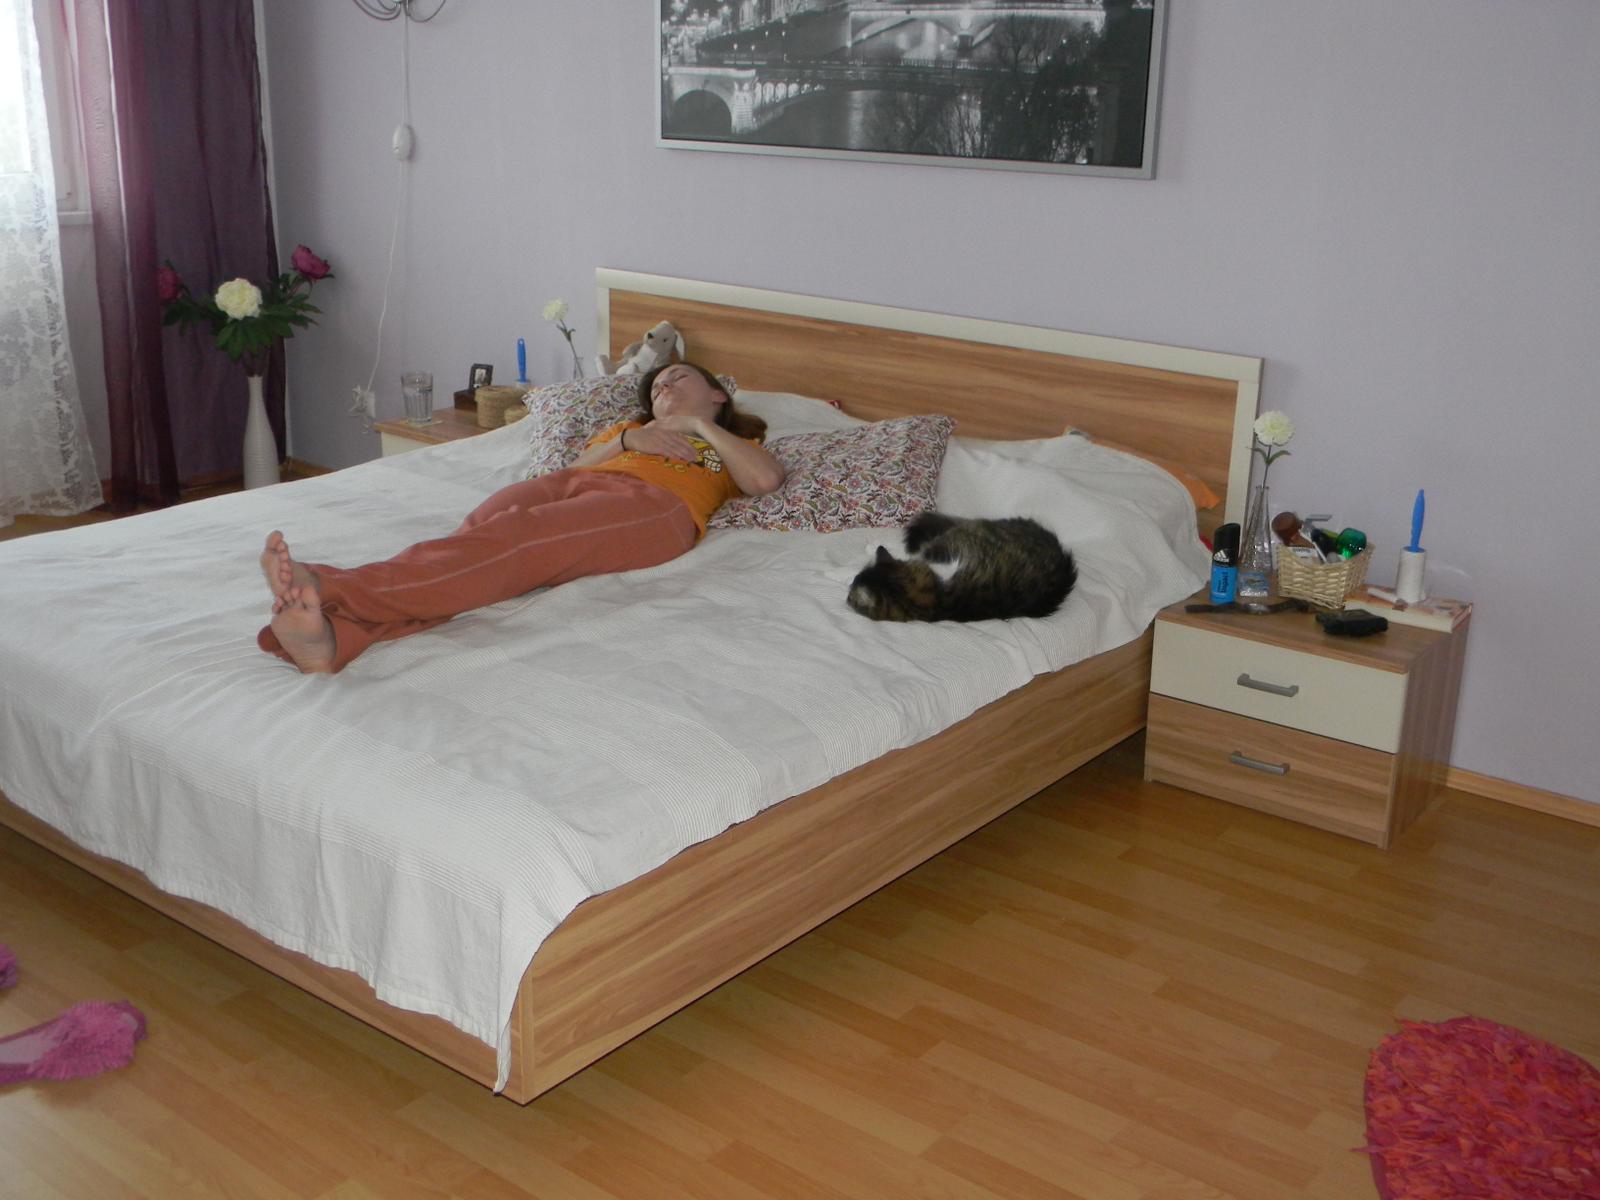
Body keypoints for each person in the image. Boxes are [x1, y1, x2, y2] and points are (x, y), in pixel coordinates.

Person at [257, 362, 785, 674]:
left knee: (511, 541)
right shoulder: (627, 431)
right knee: (477, 544)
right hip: (581, 484)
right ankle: (334, 640)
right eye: (656, 388)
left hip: (651, 506)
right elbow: (576, 469)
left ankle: (332, 587)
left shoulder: (735, 443)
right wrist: (629, 438)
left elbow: (764, 481)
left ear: (718, 393)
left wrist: (699, 425)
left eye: (676, 378)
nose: (663, 389)